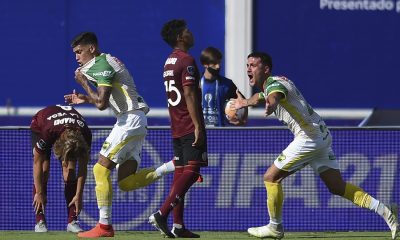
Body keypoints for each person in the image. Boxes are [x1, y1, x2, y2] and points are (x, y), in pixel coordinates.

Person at [232, 52, 399, 239]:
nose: (248, 69)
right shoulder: (271, 84)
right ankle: (385, 211)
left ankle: (275, 227)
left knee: (271, 177)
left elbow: (273, 96)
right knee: (337, 186)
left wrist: (268, 103)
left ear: (266, 69)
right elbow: (260, 97)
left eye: (253, 65)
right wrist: (246, 102)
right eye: (247, 65)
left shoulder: (275, 85)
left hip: (309, 138)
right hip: (321, 135)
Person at [64, 32, 175, 238]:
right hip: (135, 120)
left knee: (99, 169)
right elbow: (104, 98)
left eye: (79, 52)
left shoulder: (101, 65)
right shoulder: (105, 60)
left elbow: (102, 104)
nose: (77, 57)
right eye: (75, 53)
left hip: (129, 120)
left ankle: (104, 226)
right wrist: (86, 98)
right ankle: (175, 166)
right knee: (126, 182)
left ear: (92, 48)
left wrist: (83, 83)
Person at [148, 19, 208, 238]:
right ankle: (162, 214)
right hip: (188, 123)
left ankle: (179, 226)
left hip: (175, 124)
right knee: (192, 173)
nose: (191, 34)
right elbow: (190, 94)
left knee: (181, 172)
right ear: (181, 37)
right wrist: (198, 126)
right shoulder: (187, 60)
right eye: (187, 31)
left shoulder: (169, 61)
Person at [31, 105, 92, 233]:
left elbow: (83, 167)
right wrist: (39, 193)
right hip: (41, 124)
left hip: (69, 132)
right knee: (44, 170)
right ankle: (40, 221)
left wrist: (79, 195)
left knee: (69, 169)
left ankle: (72, 221)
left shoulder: (86, 135)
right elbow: (37, 162)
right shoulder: (48, 132)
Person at [199, 46, 247, 126]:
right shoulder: (195, 84)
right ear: (205, 64)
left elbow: (244, 102)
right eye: (214, 63)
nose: (218, 66)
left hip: (219, 134)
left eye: (219, 62)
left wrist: (243, 120)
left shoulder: (227, 84)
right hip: (199, 134)